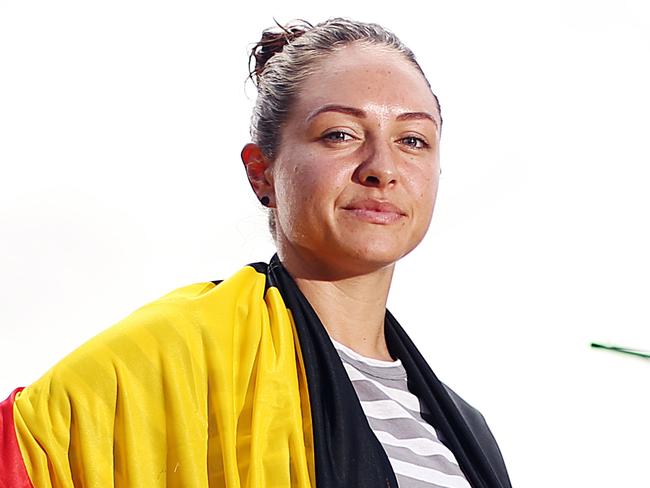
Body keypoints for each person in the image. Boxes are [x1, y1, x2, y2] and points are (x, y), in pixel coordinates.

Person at [0, 18, 511, 488]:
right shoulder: (175, 359)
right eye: (340, 134)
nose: (382, 166)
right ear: (261, 171)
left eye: (413, 140)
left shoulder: (467, 430)